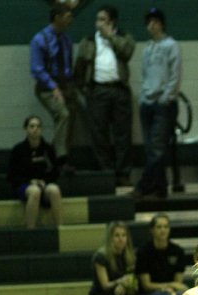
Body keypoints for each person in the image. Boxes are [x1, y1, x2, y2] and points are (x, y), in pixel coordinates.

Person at [74, 5, 135, 187]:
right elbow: (80, 66)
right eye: (97, 19)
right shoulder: (89, 40)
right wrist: (83, 89)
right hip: (97, 90)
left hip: (119, 89)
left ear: (112, 21)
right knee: (99, 133)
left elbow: (126, 53)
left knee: (122, 134)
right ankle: (106, 171)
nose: (98, 23)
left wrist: (110, 36)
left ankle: (123, 173)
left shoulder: (124, 37)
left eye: (103, 19)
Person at [132, 8, 181, 200]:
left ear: (161, 23)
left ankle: (143, 186)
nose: (151, 25)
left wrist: (166, 97)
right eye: (148, 22)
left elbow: (175, 75)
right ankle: (160, 187)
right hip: (148, 102)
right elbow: (145, 75)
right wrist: (144, 97)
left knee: (157, 147)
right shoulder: (148, 47)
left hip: (164, 103)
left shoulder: (171, 45)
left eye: (154, 21)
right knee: (151, 147)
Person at [30, 5, 77, 171]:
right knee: (63, 114)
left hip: (66, 85)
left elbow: (67, 66)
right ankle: (56, 156)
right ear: (57, 17)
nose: (71, 19)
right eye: (68, 16)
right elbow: (36, 69)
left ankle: (64, 160)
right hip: (47, 87)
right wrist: (54, 87)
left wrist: (71, 86)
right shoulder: (39, 39)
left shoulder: (66, 39)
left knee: (69, 121)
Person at [87, 220, 142, 295]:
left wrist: (124, 286)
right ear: (110, 238)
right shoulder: (101, 256)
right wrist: (120, 282)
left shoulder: (130, 255)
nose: (121, 239)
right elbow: (105, 285)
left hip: (120, 291)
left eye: (124, 235)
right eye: (117, 235)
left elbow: (132, 279)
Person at [7, 115, 64, 228]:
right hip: (25, 186)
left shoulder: (48, 149)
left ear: (41, 129)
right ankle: (31, 230)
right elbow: (11, 176)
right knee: (35, 191)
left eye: (38, 126)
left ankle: (61, 229)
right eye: (32, 126)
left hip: (44, 185)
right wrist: (30, 181)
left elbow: (55, 172)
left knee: (55, 190)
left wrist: (44, 181)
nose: (35, 129)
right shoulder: (18, 150)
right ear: (26, 129)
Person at [135, 213, 188, 295]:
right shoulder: (144, 252)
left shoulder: (177, 251)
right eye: (159, 227)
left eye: (165, 227)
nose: (163, 230)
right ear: (152, 230)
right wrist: (167, 287)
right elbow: (146, 285)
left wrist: (171, 289)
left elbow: (178, 283)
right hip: (149, 294)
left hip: (172, 292)